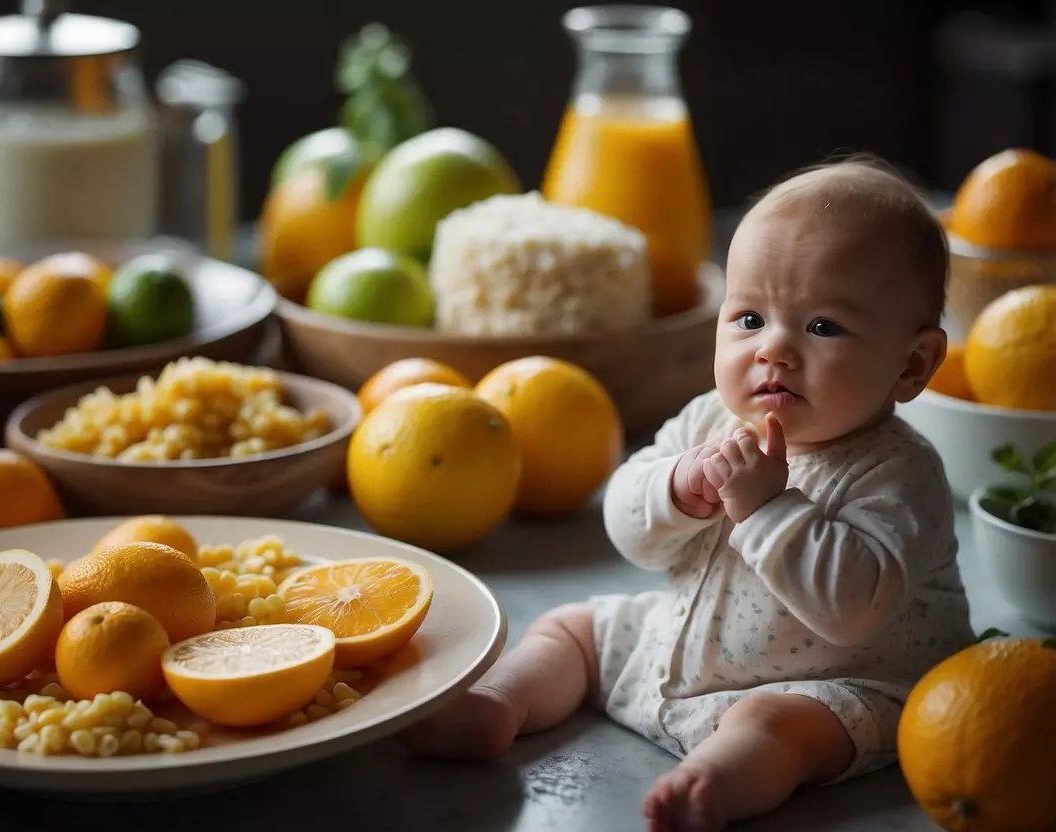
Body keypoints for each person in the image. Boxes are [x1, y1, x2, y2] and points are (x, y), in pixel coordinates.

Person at [400, 157, 977, 831]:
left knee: (776, 724)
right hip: (678, 647)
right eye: (749, 318)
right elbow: (629, 528)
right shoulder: (709, 418)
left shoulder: (897, 471)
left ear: (911, 364)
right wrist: (673, 488)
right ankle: (498, 705)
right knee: (574, 629)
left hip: (835, 685)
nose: (774, 351)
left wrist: (766, 508)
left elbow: (850, 607)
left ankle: (713, 782)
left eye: (821, 327)